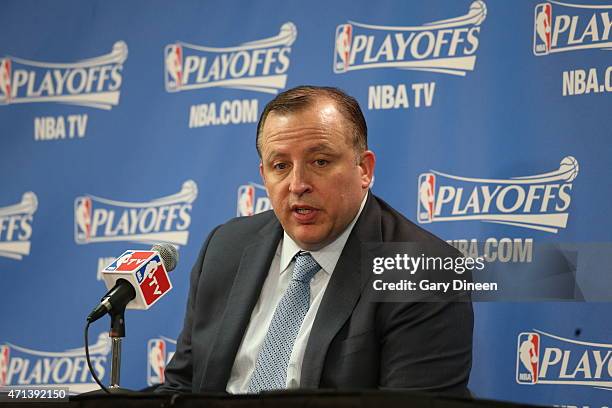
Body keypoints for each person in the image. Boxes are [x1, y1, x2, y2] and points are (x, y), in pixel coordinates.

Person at [157, 86, 473, 396]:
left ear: (364, 169)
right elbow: (182, 386)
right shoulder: (226, 246)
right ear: (264, 175)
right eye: (280, 166)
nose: (298, 184)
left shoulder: (425, 272)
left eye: (319, 162)